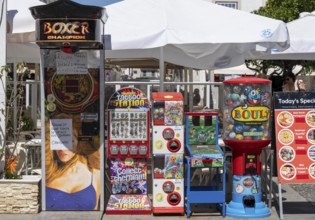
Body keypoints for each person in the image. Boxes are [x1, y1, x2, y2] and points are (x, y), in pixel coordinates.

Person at [45, 113, 100, 210]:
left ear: (79, 142)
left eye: (69, 141)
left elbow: (95, 210)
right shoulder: (47, 171)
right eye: (58, 141)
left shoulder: (94, 173)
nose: (62, 148)